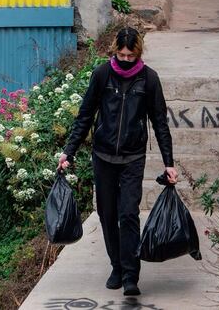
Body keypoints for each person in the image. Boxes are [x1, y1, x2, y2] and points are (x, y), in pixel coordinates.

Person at [58, 27, 177, 296]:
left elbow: (160, 123)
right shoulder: (102, 75)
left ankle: (131, 275)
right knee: (107, 214)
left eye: (130, 55)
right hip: (103, 156)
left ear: (138, 52)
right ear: (115, 51)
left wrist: (169, 162)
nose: (125, 59)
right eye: (121, 54)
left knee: (129, 214)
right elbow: (85, 115)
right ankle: (116, 267)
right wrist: (69, 151)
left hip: (133, 157)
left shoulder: (149, 79)